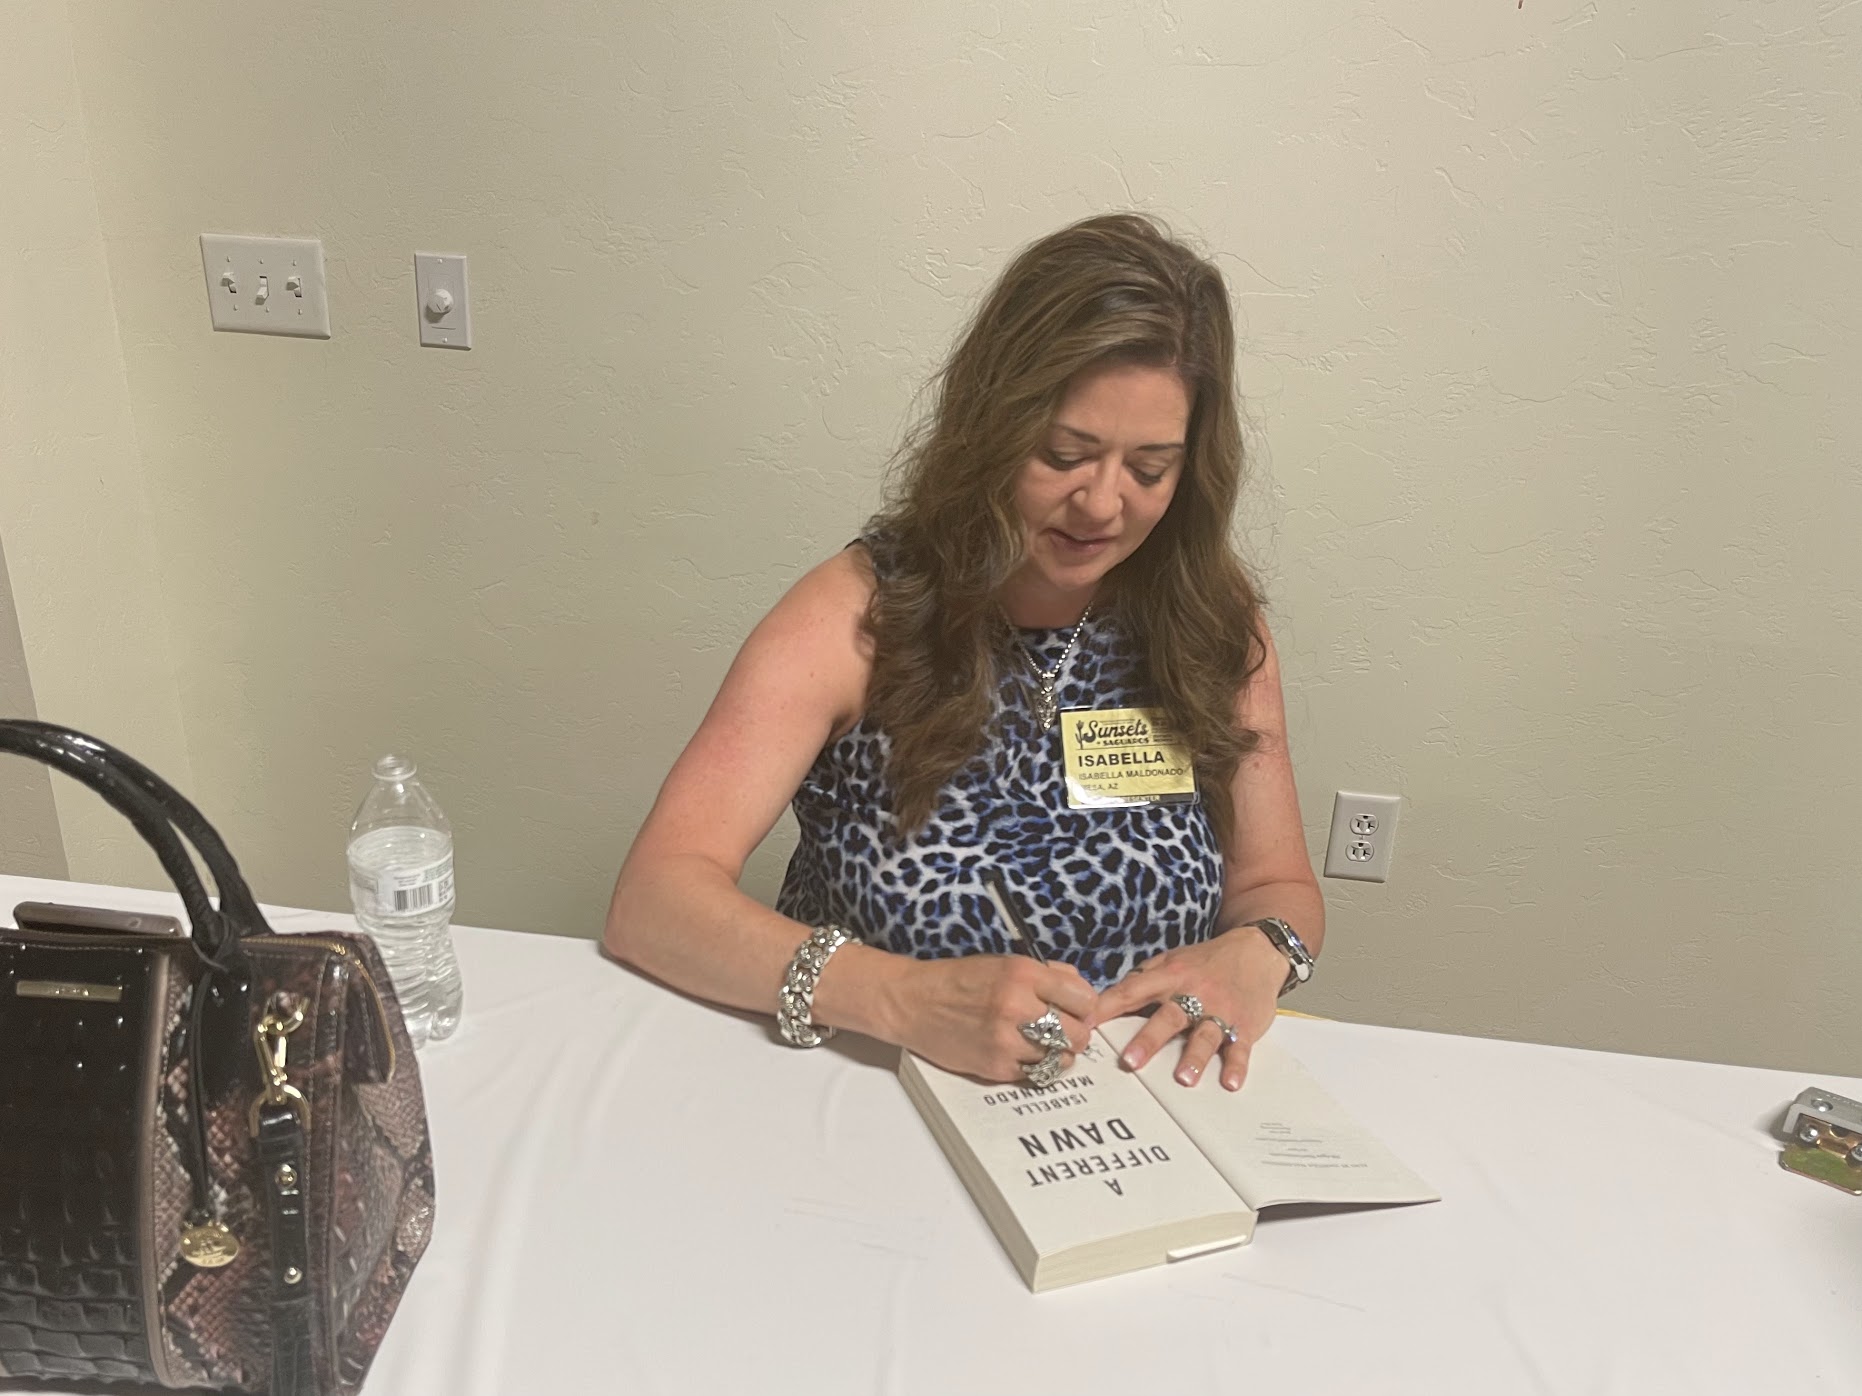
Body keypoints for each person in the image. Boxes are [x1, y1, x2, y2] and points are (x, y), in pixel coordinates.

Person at [605, 213, 1323, 1092]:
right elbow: (655, 899)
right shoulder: (859, 614)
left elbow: (1277, 881)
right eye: (1065, 453)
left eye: (1150, 469)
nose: (1102, 504)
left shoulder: (1211, 622)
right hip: (883, 1091)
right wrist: (900, 997)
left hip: (1149, 1106)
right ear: (992, 425)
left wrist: (1261, 954)